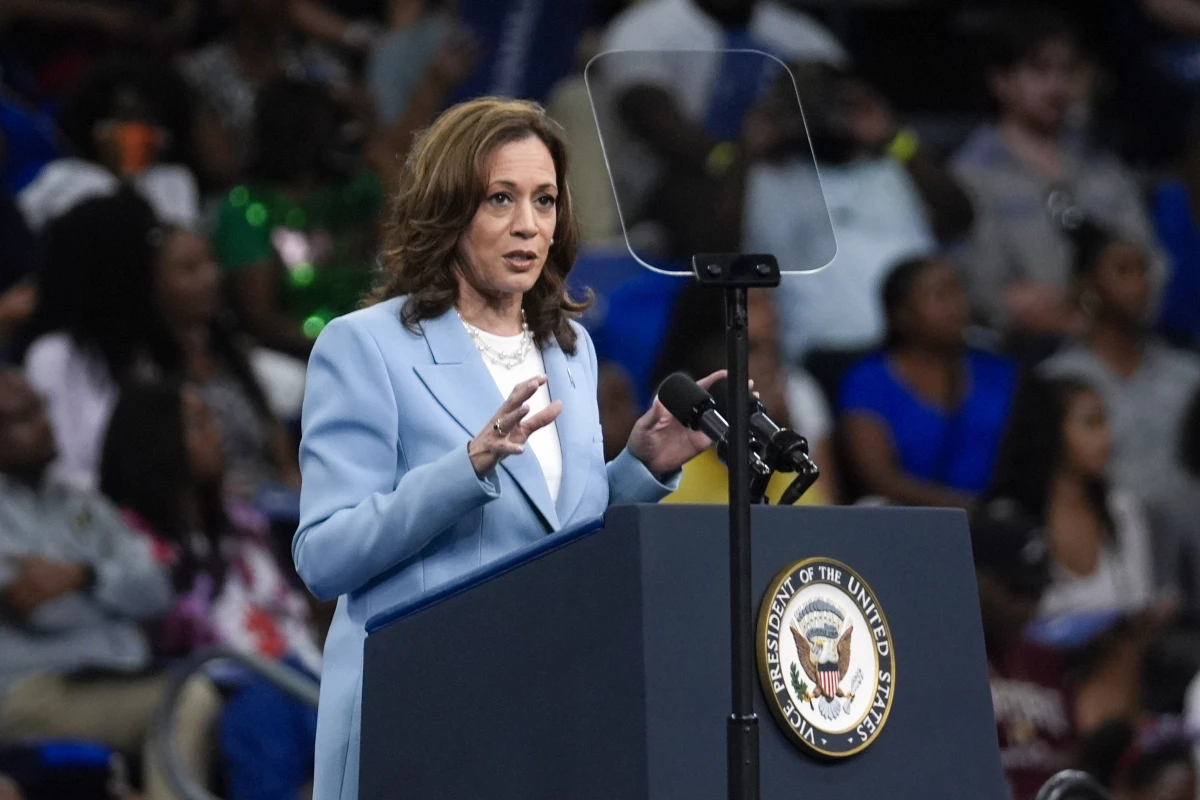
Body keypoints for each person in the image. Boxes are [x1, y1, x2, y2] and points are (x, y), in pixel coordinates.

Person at [293, 97, 718, 800]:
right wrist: (465, 468)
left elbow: (555, 533)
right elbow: (325, 555)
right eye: (501, 199)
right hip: (420, 715)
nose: (528, 225)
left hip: (543, 714)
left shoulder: (569, 349)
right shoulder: (362, 345)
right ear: (449, 207)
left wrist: (638, 469)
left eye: (545, 200)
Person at [0, 369, 219, 800]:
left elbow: (157, 588)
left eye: (40, 408)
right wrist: (110, 589)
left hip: (113, 679)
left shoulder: (79, 501)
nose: (45, 423)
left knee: (228, 699)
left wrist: (85, 576)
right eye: (22, 416)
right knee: (187, 701)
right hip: (29, 693)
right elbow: (45, 611)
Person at [100, 381, 320, 800]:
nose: (217, 434)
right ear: (159, 445)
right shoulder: (128, 537)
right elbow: (172, 633)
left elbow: (286, 614)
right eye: (198, 425)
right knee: (262, 711)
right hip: (202, 680)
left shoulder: (242, 523)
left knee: (325, 700)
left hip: (282, 668)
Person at [952, 7, 1165, 341]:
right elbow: (986, 292)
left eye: (1067, 70)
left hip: (1116, 343)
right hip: (1019, 353)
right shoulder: (972, 175)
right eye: (1039, 70)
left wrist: (1097, 306)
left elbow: (1151, 266)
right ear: (1001, 81)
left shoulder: (1105, 169)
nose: (1056, 85)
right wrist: (1094, 303)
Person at [212, 80, 385, 359]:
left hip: (370, 340)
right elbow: (262, 318)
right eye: (327, 130)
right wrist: (342, 349)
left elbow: (410, 228)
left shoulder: (354, 189)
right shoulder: (247, 207)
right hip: (297, 358)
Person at [1041, 219, 1200, 514]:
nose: (1139, 286)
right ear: (1087, 285)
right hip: (1111, 535)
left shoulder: (1189, 374)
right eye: (1123, 271)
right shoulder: (1060, 379)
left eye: (1144, 272)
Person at [838, 256, 1019, 507]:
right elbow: (880, 478)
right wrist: (963, 509)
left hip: (1002, 517)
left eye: (959, 291)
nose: (957, 306)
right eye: (940, 295)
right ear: (900, 314)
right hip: (909, 520)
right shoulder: (868, 381)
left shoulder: (999, 372)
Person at [985, 375, 1158, 622]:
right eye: (1092, 423)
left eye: (1106, 421)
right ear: (1049, 430)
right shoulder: (1007, 518)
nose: (1107, 437)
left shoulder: (1123, 510)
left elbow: (1139, 603)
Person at [17, 56, 201, 233]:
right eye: (124, 118)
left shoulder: (174, 180)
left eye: (146, 120)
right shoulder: (62, 177)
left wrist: (126, 180)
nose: (136, 130)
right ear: (98, 126)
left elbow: (176, 242)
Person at [972, 499, 1077, 800]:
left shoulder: (1048, 659)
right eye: (1016, 591)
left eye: (1037, 591)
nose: (1028, 607)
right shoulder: (943, 664)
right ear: (974, 576)